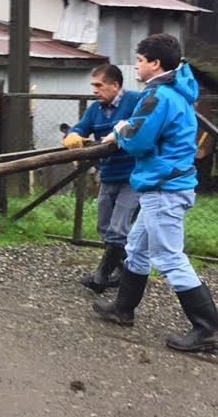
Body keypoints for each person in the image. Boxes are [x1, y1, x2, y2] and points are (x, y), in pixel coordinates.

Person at [95, 33, 218, 352]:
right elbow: (142, 130)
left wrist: (120, 130)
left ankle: (207, 330)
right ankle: (123, 309)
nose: (135, 66)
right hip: (164, 184)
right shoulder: (175, 93)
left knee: (169, 257)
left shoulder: (159, 96)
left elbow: (137, 140)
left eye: (139, 60)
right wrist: (125, 128)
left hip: (164, 187)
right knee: (137, 250)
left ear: (155, 63)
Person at [62, 64, 142, 292]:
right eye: (93, 85)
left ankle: (101, 276)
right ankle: (126, 271)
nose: (95, 90)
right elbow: (81, 127)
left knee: (118, 228)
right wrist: (73, 134)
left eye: (99, 85)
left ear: (115, 85)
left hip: (133, 176)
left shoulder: (135, 101)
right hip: (109, 174)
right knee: (104, 226)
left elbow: (143, 126)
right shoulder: (96, 109)